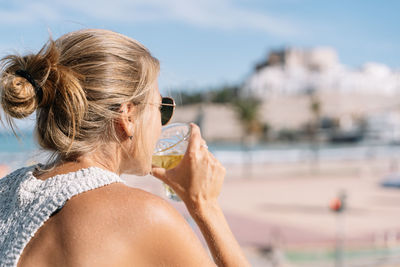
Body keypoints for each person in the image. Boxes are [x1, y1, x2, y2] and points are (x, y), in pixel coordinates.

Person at [0, 29, 250, 267]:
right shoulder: (145, 216)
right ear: (128, 116)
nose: (163, 125)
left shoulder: (7, 190)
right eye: (161, 108)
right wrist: (205, 204)